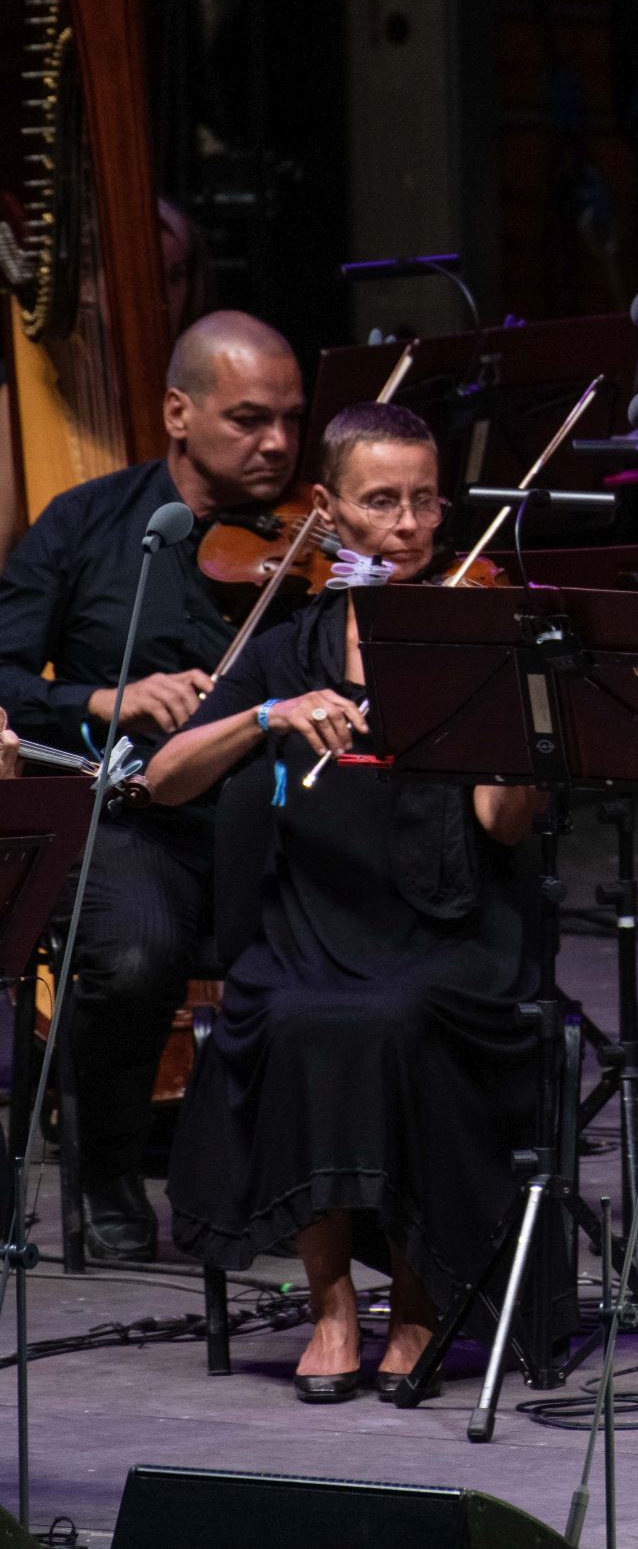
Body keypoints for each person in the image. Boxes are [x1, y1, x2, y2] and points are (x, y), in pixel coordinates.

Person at [150, 402, 543, 1403]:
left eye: (424, 500)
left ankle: (415, 1301)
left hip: (446, 934)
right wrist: (266, 714)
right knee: (284, 1012)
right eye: (382, 502)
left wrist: (506, 709)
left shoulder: (472, 633)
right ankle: (331, 1303)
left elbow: (503, 827)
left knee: (398, 1020)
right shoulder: (290, 643)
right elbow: (165, 776)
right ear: (328, 510)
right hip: (312, 925)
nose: (410, 523)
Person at [0, 309, 302, 1260]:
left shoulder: (310, 542)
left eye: (292, 419)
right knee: (134, 952)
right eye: (250, 419)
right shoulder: (88, 526)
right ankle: (106, 1172)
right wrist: (103, 699)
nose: (280, 443)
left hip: (282, 817)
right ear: (179, 411)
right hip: (135, 822)